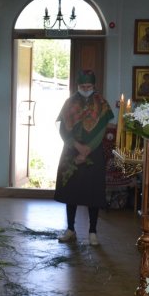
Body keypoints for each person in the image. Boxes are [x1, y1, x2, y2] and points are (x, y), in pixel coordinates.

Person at [54, 70, 113, 246]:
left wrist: (87, 150)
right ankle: (70, 229)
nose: (86, 89)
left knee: (93, 192)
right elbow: (63, 129)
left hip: (93, 152)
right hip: (71, 150)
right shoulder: (69, 103)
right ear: (77, 86)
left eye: (89, 86)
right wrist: (77, 146)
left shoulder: (101, 104)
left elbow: (102, 129)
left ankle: (92, 232)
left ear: (94, 85)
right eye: (82, 86)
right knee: (70, 191)